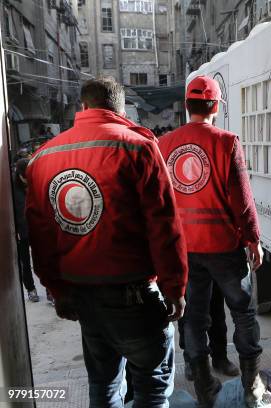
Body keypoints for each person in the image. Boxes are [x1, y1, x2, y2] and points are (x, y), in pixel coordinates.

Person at [26, 77, 188, 408]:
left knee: (103, 385)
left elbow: (39, 235)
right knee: (152, 389)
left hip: (83, 295)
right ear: (120, 109)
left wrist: (57, 290)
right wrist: (175, 288)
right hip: (134, 297)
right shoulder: (138, 147)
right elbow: (164, 225)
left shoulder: (43, 157)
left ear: (82, 108)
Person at [158, 75, 264, 407]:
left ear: (186, 106)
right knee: (243, 313)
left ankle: (205, 390)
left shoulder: (164, 145)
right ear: (215, 106)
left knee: (193, 317)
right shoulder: (227, 142)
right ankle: (250, 385)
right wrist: (254, 239)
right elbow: (242, 202)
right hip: (224, 246)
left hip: (185, 249)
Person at [179, 281, 241, 380]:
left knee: (216, 310)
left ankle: (219, 357)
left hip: (214, 268)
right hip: (189, 270)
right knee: (189, 314)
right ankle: (191, 359)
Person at [13, 158, 38, 302]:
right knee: (25, 262)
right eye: (25, 178)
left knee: (43, 260)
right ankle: (30, 289)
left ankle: (50, 291)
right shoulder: (11, 187)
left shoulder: (35, 180)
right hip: (21, 230)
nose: (28, 181)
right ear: (19, 175)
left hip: (37, 228)